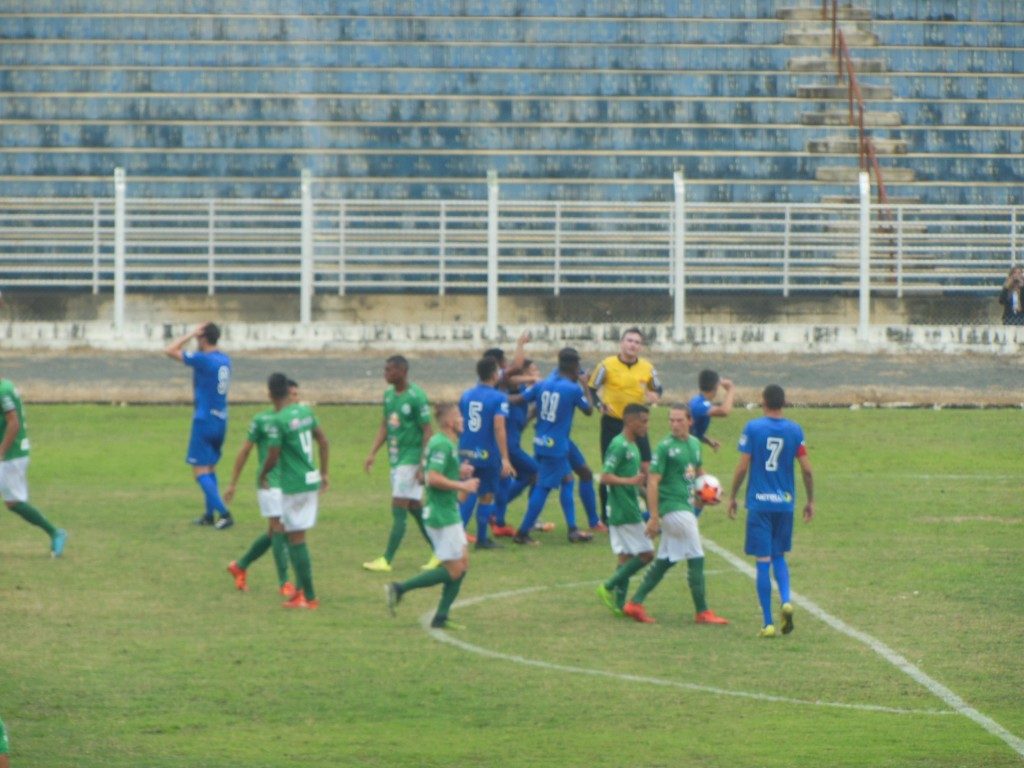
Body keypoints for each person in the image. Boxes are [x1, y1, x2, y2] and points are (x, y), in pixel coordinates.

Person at [624, 403, 729, 625]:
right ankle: (702, 612)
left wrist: (712, 489)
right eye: (671, 420)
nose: (674, 424)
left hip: (686, 506)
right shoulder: (664, 448)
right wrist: (654, 516)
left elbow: (699, 472)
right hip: (674, 509)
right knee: (696, 556)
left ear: (690, 421)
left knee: (666, 559)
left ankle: (635, 602)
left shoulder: (694, 444)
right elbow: (652, 482)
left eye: (679, 420)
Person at [727, 384, 814, 638]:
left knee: (762, 562)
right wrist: (810, 501)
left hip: (759, 504)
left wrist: (732, 496)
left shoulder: (753, 428)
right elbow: (807, 469)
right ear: (784, 402)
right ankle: (786, 599)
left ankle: (768, 623)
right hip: (784, 504)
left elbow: (743, 467)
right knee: (780, 556)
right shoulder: (795, 430)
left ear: (763, 401)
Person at [386, 402, 479, 630]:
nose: (462, 420)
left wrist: (458, 472)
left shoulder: (446, 443)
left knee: (462, 564)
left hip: (448, 512)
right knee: (455, 569)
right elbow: (433, 478)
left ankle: (441, 617)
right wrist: (462, 485)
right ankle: (400, 588)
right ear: (448, 421)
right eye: (459, 416)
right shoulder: (441, 445)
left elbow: (436, 474)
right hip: (441, 515)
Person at [223, 378, 301, 597]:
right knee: (279, 529)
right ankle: (285, 582)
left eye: (297, 395)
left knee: (274, 533)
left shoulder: (298, 420)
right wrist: (232, 484)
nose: (295, 399)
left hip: (291, 483)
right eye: (292, 395)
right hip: (270, 483)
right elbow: (245, 451)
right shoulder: (263, 420)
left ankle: (240, 565)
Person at [259, 373, 329, 609]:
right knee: (293, 535)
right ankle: (300, 591)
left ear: (269, 394)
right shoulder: (306, 412)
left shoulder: (279, 421)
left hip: (294, 484)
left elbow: (273, 455)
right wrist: (325, 473)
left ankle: (309, 597)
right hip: (311, 480)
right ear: (289, 392)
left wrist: (262, 474)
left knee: (296, 539)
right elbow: (324, 441)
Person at [513, 348, 595, 544]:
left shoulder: (543, 384)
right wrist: (586, 387)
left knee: (567, 479)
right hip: (556, 446)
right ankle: (522, 532)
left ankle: (573, 529)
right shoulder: (573, 389)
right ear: (575, 366)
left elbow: (523, 399)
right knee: (543, 486)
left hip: (540, 440)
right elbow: (589, 410)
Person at [362, 356, 435, 573]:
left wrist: (423, 463)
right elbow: (385, 425)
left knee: (399, 506)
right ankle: (441, 551)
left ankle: (387, 559)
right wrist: (372, 452)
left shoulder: (416, 397)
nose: (385, 374)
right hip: (396, 458)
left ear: (402, 371)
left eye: (390, 370)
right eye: (385, 370)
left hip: (411, 459)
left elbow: (428, 431)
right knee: (414, 507)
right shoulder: (388, 395)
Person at [164, 322, 233, 529]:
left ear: (203, 338)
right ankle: (209, 515)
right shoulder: (224, 360)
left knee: (199, 471)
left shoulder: (203, 360)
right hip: (221, 418)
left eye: (198, 338)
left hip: (204, 420)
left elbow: (169, 350)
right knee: (210, 467)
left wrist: (189, 333)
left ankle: (225, 513)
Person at [588, 327, 662, 518]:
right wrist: (599, 404)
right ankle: (606, 516)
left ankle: (653, 511)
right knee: (610, 468)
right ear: (621, 343)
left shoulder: (647, 368)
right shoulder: (606, 365)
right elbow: (591, 387)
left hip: (638, 426)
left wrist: (655, 395)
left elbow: (658, 388)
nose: (633, 345)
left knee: (647, 466)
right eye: (629, 341)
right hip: (613, 423)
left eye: (637, 342)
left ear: (641, 346)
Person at [596, 404, 654, 619]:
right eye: (644, 421)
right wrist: (630, 481)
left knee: (625, 556)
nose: (646, 426)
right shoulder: (619, 445)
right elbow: (605, 476)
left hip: (627, 505)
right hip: (623, 509)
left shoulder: (634, 446)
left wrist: (649, 496)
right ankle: (608, 586)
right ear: (630, 421)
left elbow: (634, 482)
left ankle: (619, 605)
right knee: (647, 554)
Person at [0, 377, 66, 556]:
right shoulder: (6, 386)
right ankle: (54, 532)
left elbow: (14, 423)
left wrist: (1, 451)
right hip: (11, 454)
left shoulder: (3, 391)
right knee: (12, 502)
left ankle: (55, 532)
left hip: (12, 456)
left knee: (13, 502)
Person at [457, 357, 513, 550]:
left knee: (465, 492)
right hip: (487, 454)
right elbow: (499, 427)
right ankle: (481, 539)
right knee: (486, 495)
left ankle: (454, 537)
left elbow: (460, 422)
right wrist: (505, 457)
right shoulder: (499, 398)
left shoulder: (466, 394)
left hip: (465, 451)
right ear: (494, 374)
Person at [689, 370, 735, 451]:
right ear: (716, 386)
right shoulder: (701, 405)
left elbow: (692, 431)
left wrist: (708, 441)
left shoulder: (697, 400)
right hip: (686, 450)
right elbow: (724, 411)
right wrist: (731, 389)